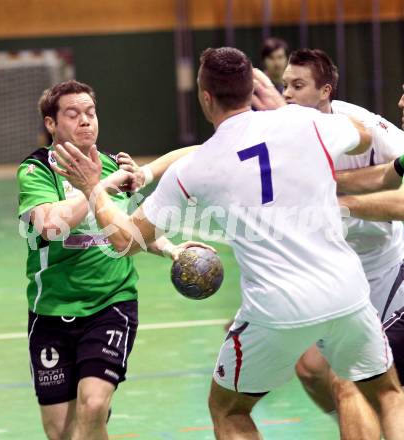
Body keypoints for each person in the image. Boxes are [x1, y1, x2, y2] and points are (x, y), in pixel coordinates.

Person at [51, 48, 404, 440]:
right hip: (347, 292)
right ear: (250, 89)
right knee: (389, 393)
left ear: (205, 97)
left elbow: (123, 241)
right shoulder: (305, 122)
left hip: (276, 307)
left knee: (229, 409)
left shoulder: (197, 169)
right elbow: (365, 137)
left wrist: (92, 189)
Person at [17, 79, 208, 440]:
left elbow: (131, 229)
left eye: (90, 113)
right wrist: (98, 187)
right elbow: (50, 227)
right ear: (51, 124)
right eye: (73, 114)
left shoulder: (115, 167)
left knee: (92, 406)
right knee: (63, 432)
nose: (85, 121)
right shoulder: (36, 171)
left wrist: (171, 249)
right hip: (51, 310)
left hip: (111, 303)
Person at [281, 49, 404, 438]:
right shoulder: (278, 131)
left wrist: (341, 200)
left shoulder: (366, 128)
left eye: (296, 86)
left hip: (385, 271)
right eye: (284, 85)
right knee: (311, 370)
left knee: (353, 383)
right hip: (333, 274)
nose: (285, 94)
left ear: (325, 92)